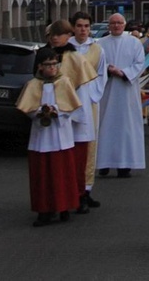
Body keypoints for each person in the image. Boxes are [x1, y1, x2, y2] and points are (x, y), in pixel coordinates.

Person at [16, 47, 82, 227]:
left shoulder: (64, 82)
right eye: (48, 64)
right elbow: (27, 108)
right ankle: (44, 210)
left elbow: (70, 107)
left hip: (60, 134)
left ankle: (64, 207)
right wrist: (40, 113)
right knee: (43, 175)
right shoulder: (33, 85)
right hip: (41, 136)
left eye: (55, 64)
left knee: (62, 173)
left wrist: (57, 112)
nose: (53, 68)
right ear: (39, 67)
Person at [46, 19, 98, 214]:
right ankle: (58, 198)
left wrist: (74, 112)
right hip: (53, 115)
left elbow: (81, 87)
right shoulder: (47, 55)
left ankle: (80, 194)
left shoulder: (75, 58)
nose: (54, 38)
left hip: (74, 114)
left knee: (77, 159)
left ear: (67, 36)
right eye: (52, 35)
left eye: (58, 34)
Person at [96, 13, 146, 178]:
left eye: (119, 23)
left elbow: (139, 64)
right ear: (109, 26)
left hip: (126, 93)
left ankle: (124, 164)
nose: (116, 26)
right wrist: (108, 71)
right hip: (106, 92)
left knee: (126, 128)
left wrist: (123, 72)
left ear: (124, 25)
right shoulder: (100, 44)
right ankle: (103, 163)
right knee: (104, 126)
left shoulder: (134, 43)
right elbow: (95, 65)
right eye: (113, 23)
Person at [68, 11, 107, 209]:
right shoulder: (67, 49)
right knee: (71, 146)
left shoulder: (97, 49)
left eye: (86, 26)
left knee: (90, 145)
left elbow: (101, 74)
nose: (83, 30)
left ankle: (86, 189)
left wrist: (92, 95)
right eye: (80, 26)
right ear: (73, 27)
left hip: (89, 101)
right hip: (70, 100)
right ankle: (71, 190)